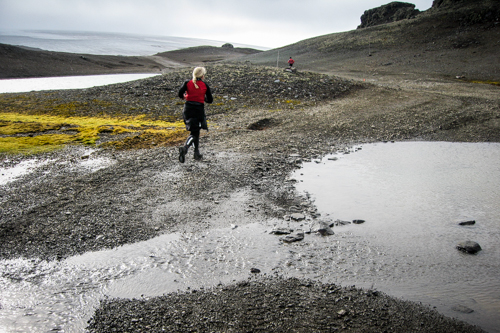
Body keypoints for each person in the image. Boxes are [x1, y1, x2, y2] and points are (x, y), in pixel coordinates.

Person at [177, 67, 213, 163]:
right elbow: (210, 100)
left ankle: (196, 153)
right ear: (202, 75)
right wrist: (203, 98)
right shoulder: (205, 85)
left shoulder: (187, 83)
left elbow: (180, 94)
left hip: (187, 110)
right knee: (194, 133)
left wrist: (185, 96)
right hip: (198, 111)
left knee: (194, 132)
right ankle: (185, 148)